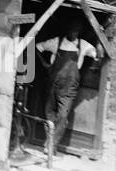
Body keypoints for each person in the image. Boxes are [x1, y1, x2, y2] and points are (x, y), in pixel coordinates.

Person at [36, 20, 98, 151]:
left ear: (79, 32)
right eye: (71, 30)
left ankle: (51, 144)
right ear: (67, 30)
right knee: (49, 113)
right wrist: (46, 65)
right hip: (53, 84)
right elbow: (38, 47)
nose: (73, 33)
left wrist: (100, 38)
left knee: (63, 115)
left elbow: (97, 53)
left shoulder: (83, 45)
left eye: (76, 31)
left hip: (69, 88)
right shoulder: (56, 42)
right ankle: (50, 141)